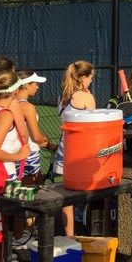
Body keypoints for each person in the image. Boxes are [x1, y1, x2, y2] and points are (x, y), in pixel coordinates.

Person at [55, 61, 96, 236]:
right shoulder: (86, 97)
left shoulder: (63, 96)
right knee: (88, 194)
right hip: (82, 154)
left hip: (64, 152)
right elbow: (94, 127)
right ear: (83, 77)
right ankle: (87, 233)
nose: (91, 81)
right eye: (90, 78)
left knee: (67, 199)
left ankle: (69, 236)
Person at [0, 71, 31, 261]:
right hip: (1, 182)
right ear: (15, 92)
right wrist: (19, 155)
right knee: (0, 236)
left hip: (4, 180)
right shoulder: (5, 115)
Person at [16, 70, 49, 185]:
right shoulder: (28, 107)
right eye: (35, 83)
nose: (37, 87)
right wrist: (44, 140)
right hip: (29, 154)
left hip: (13, 154)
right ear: (26, 85)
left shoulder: (8, 103)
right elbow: (36, 137)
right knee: (30, 191)